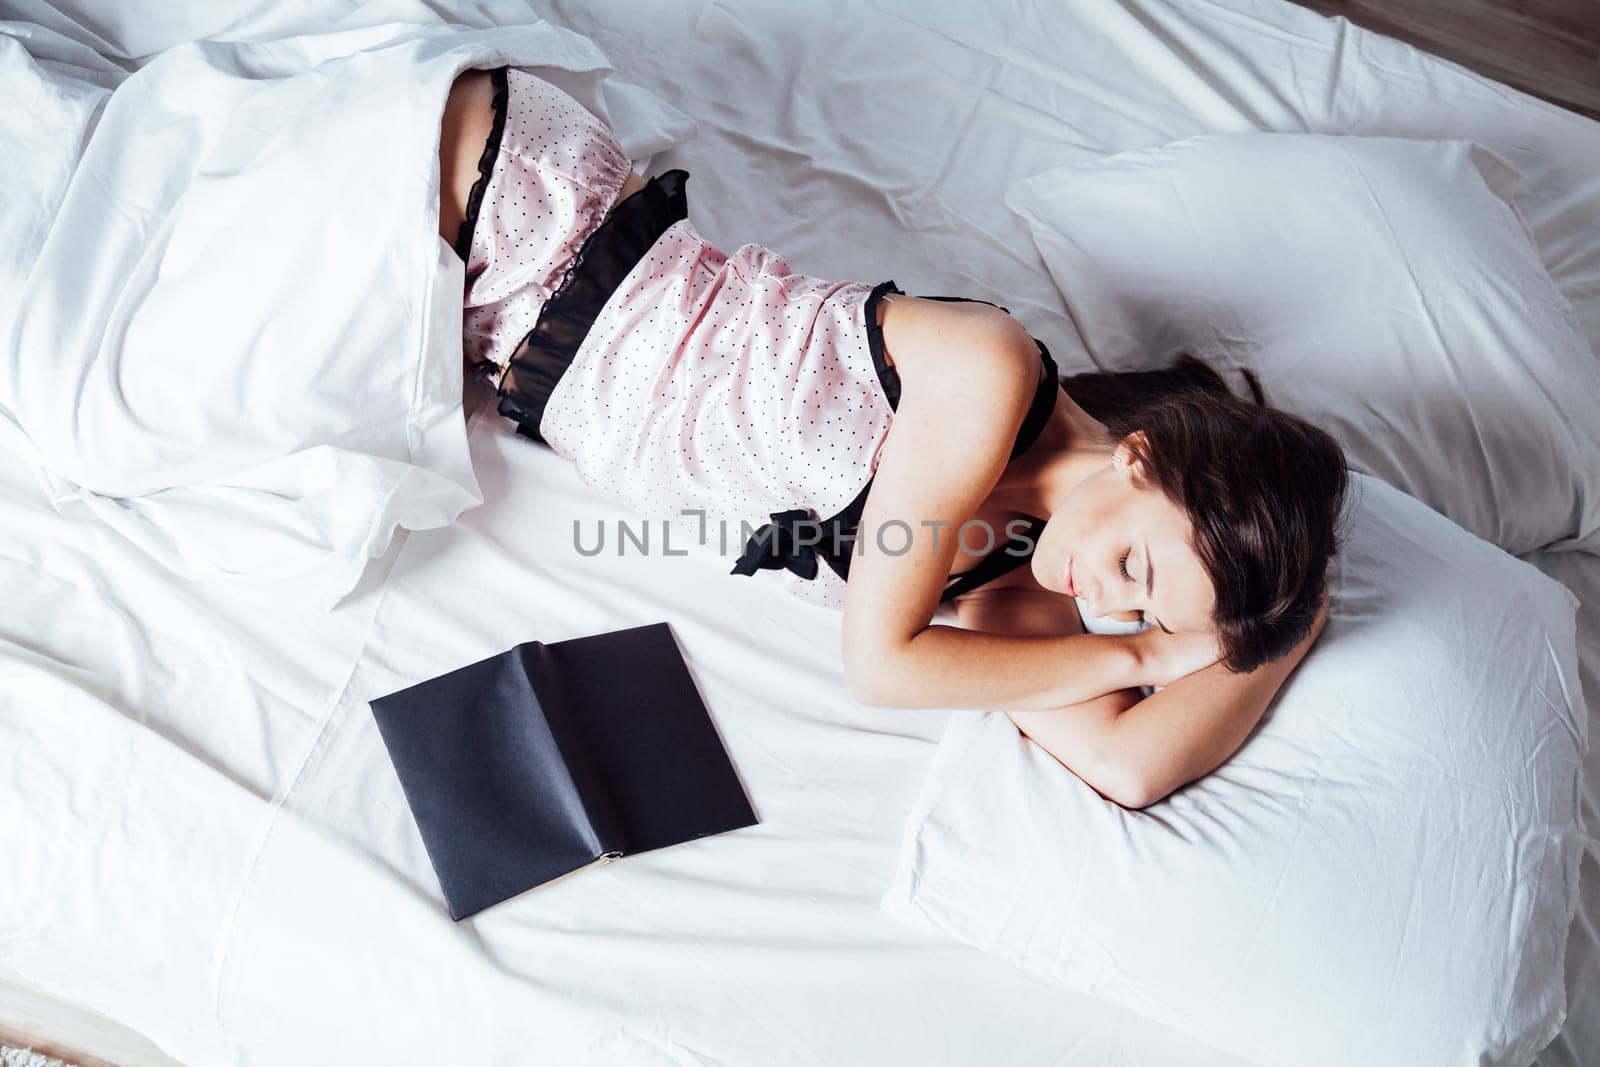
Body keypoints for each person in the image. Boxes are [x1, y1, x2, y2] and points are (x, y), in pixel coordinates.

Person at [436, 66, 1348, 808]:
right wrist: (1152, 653)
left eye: (1142, 611)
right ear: (1139, 454)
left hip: (488, 335)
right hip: (522, 208)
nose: (1107, 599)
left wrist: (1294, 625)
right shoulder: (987, 374)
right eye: (1137, 568)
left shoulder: (1009, 583)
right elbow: (879, 665)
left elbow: (1127, 764)